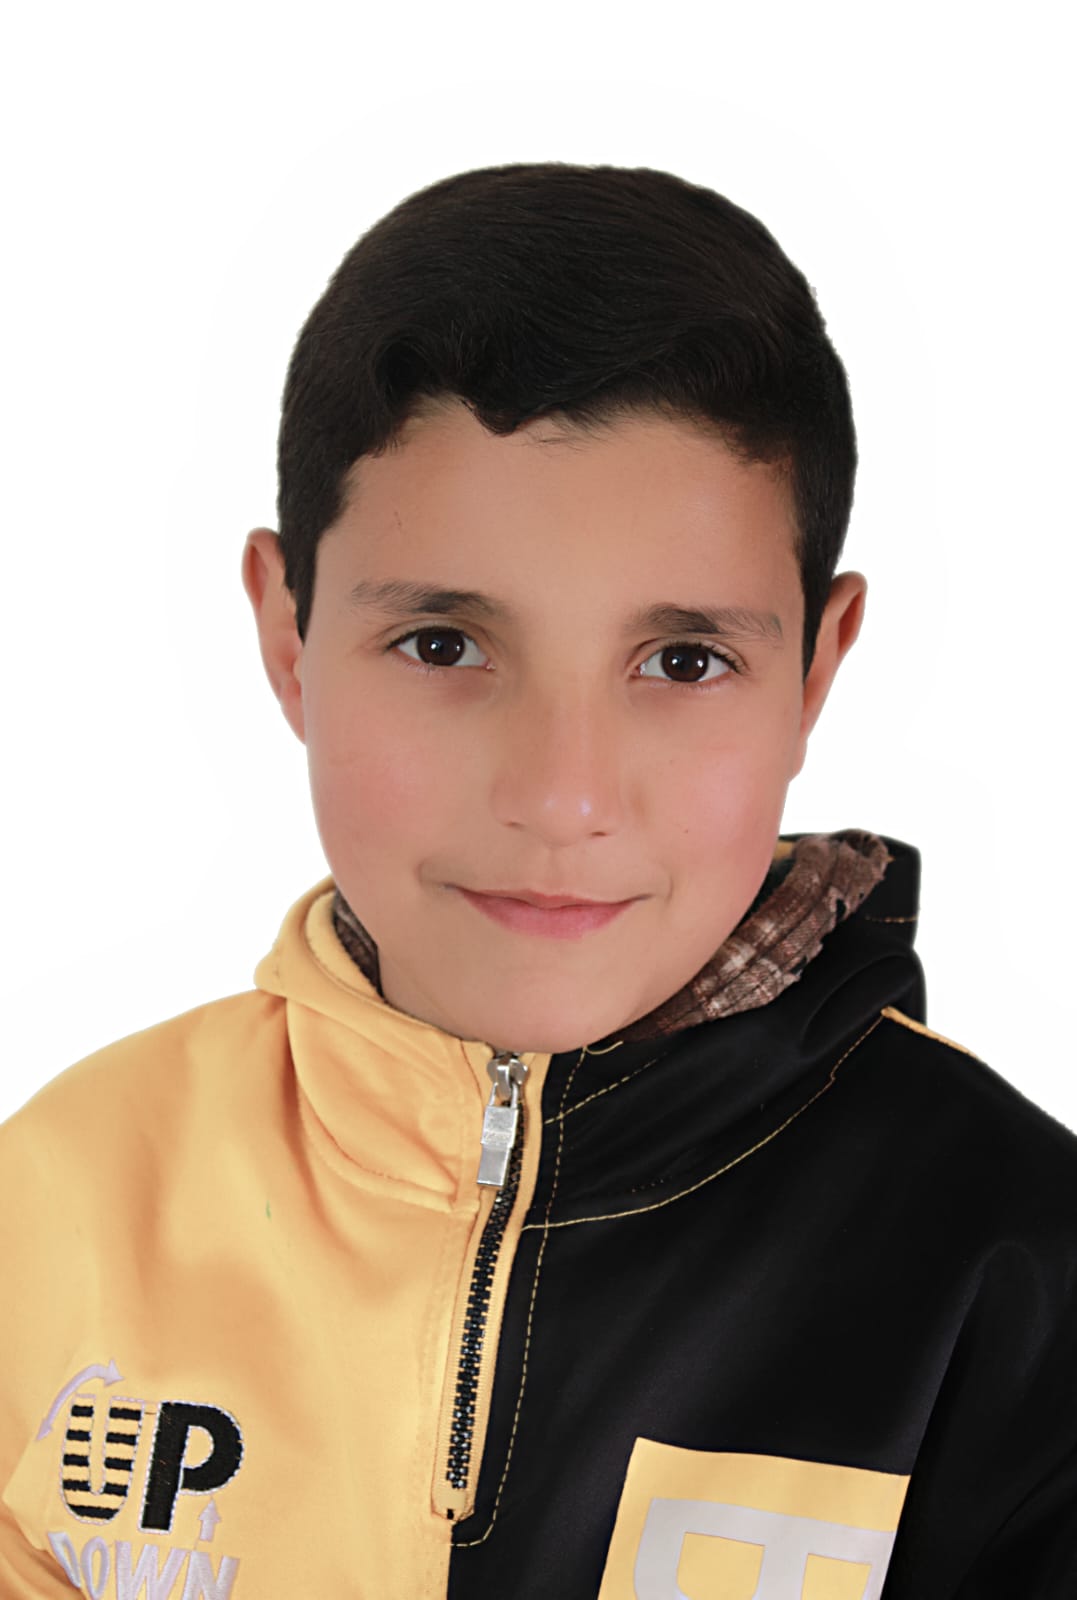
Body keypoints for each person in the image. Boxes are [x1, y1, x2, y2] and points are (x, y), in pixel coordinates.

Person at [2, 161, 1074, 1600]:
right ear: (287, 634)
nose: (562, 798)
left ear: (816, 670)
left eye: (682, 661)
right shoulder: (57, 1207)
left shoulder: (1018, 1277)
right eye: (443, 645)